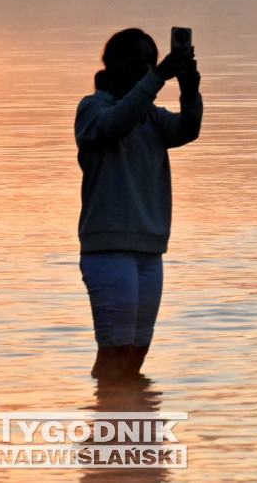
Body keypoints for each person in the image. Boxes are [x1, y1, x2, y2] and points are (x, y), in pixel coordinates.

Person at [75, 28, 202, 383]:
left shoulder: (151, 115)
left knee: (136, 352)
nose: (145, 65)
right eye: (137, 57)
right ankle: (106, 419)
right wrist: (159, 75)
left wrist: (189, 88)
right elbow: (115, 125)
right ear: (112, 62)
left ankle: (126, 424)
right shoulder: (92, 109)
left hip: (149, 249)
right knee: (114, 349)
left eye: (151, 59)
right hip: (108, 250)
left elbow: (187, 130)